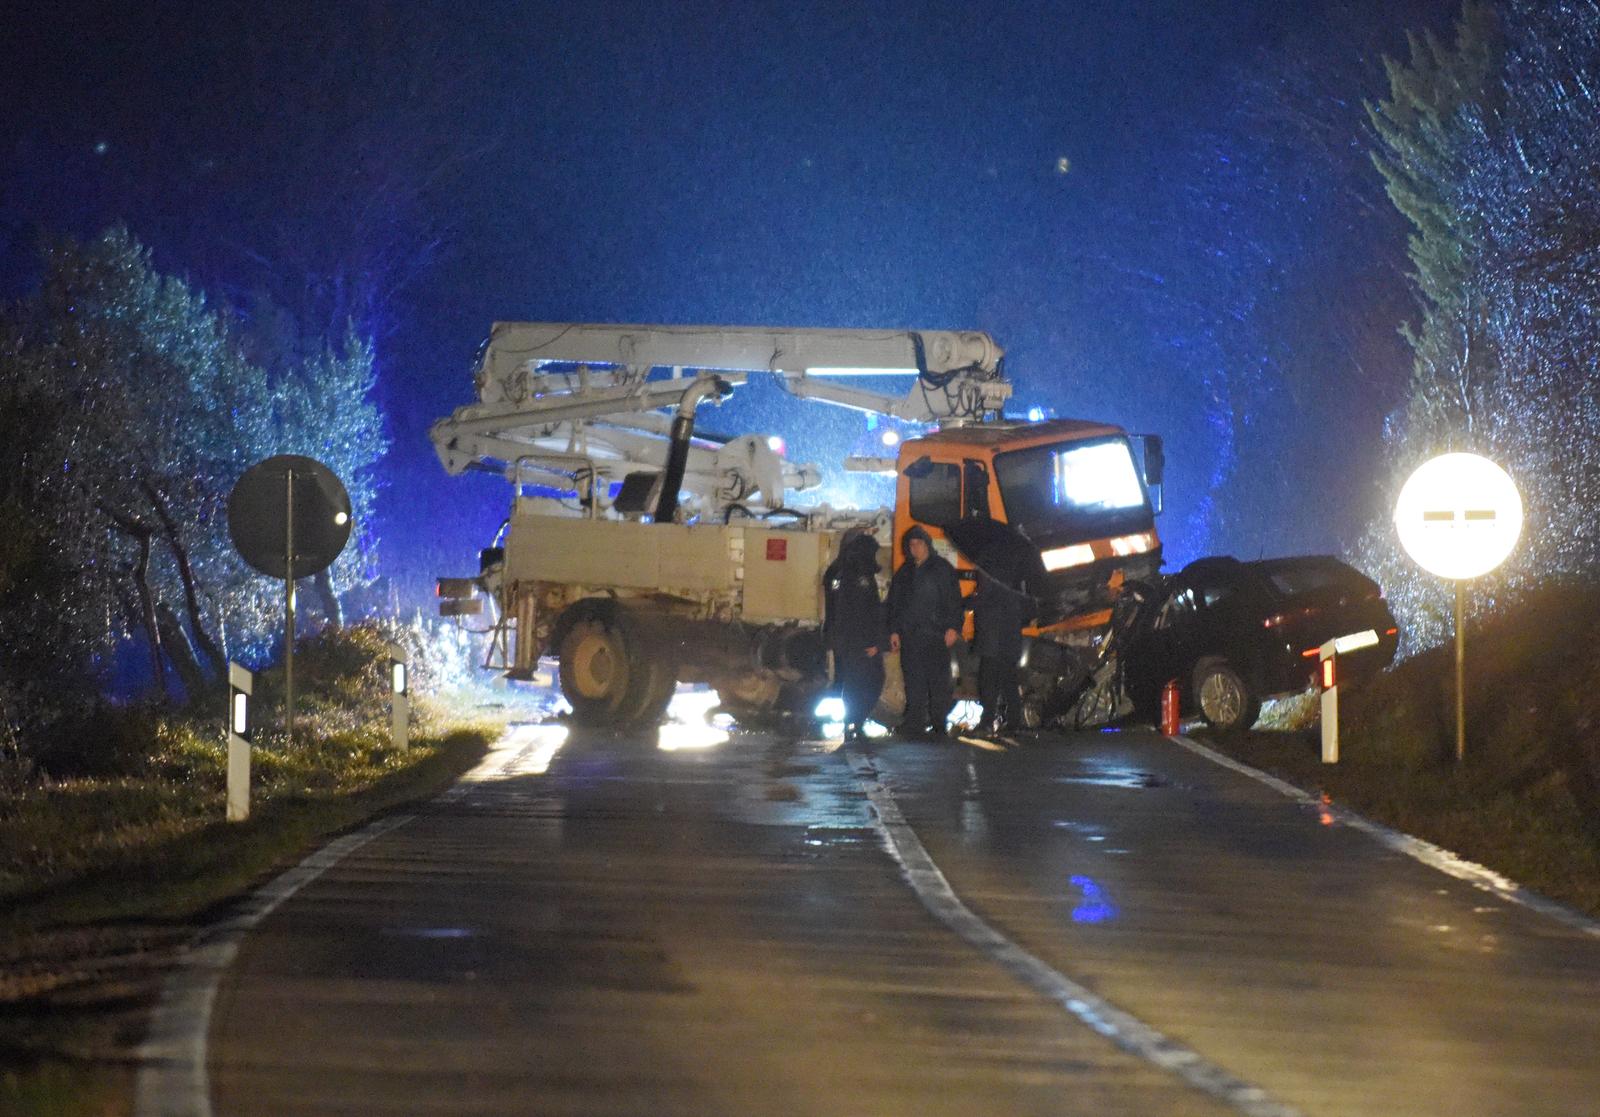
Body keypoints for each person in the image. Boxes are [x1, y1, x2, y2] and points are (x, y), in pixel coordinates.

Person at [886, 525, 963, 739]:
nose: (914, 548)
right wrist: (894, 631)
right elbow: (895, 604)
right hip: (911, 636)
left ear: (927, 544)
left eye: (918, 544)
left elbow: (954, 601)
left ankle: (939, 723)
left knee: (939, 682)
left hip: (936, 636)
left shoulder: (942, 569)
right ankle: (914, 724)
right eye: (911, 544)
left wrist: (954, 627)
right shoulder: (905, 572)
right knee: (914, 682)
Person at [822, 529, 887, 742]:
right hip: (859, 642)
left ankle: (852, 721)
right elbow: (864, 613)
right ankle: (855, 721)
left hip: (843, 639)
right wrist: (875, 642)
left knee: (849, 682)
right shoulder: (860, 576)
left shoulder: (836, 572)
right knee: (868, 682)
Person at [971, 563, 1033, 736]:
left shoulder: (989, 572)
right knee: (1009, 682)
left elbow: (983, 599)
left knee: (989, 683)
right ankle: (1014, 722)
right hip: (1010, 637)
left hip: (993, 638)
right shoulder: (1017, 574)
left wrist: (965, 602)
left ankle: (987, 723)